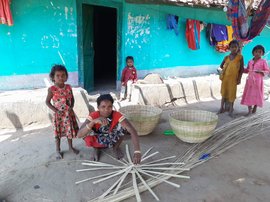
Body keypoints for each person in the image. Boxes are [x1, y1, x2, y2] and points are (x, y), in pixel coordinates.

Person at [77, 94, 141, 164]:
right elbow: (79, 134)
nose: (106, 110)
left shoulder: (116, 115)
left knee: (124, 128)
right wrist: (93, 122)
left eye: (109, 107)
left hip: (111, 135)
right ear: (98, 107)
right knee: (86, 131)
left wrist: (137, 151)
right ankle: (96, 148)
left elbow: (132, 130)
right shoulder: (94, 115)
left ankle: (116, 147)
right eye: (103, 107)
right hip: (98, 136)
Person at [45, 64, 79, 159]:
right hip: (58, 116)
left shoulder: (68, 87)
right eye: (58, 76)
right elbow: (47, 102)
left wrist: (71, 107)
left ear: (66, 76)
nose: (61, 78)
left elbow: (72, 99)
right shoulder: (52, 89)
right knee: (58, 134)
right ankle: (58, 150)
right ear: (53, 77)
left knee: (69, 132)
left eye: (63, 75)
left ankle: (70, 147)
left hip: (68, 114)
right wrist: (56, 111)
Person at [241, 45, 269, 116]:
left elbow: (267, 71)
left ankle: (255, 107)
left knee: (257, 95)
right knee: (249, 94)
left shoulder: (263, 61)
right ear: (253, 53)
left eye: (260, 52)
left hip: (258, 82)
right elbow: (247, 70)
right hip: (250, 81)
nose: (258, 53)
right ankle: (249, 111)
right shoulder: (250, 61)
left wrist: (261, 71)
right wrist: (241, 69)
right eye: (256, 52)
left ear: (262, 53)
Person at [218, 40, 244, 117]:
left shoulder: (240, 57)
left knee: (232, 94)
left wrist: (239, 78)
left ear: (238, 48)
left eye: (235, 47)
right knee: (224, 94)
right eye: (232, 47)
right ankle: (221, 108)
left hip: (233, 80)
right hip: (225, 79)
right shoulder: (226, 57)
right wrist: (226, 68)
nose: (234, 48)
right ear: (229, 48)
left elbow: (242, 69)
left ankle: (230, 110)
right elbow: (221, 65)